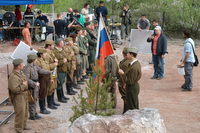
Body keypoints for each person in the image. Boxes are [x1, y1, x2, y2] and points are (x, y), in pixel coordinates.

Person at [23, 53, 51, 119]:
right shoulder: (27, 68)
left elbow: (41, 70)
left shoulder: (34, 65)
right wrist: (34, 84)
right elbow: (26, 79)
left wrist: (49, 72)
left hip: (36, 85)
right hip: (32, 86)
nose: (36, 60)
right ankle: (32, 115)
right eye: (35, 59)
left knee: (35, 99)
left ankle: (34, 113)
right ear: (33, 60)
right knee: (32, 100)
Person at [8, 59, 31, 133]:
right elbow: (14, 89)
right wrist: (24, 85)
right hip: (18, 97)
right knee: (20, 112)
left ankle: (23, 125)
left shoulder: (20, 73)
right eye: (22, 65)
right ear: (18, 67)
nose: (23, 65)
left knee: (25, 111)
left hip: (24, 95)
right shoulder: (13, 77)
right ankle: (18, 129)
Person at [36, 48, 53, 114]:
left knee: (45, 92)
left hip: (47, 78)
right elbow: (39, 71)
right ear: (41, 55)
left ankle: (44, 107)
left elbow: (48, 70)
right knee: (42, 93)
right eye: (45, 54)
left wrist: (51, 78)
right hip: (42, 79)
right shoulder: (38, 61)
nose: (46, 55)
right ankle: (42, 109)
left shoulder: (45, 60)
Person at [45, 40, 60, 108]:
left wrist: (56, 61)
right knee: (50, 88)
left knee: (54, 87)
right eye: (52, 45)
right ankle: (49, 103)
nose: (54, 46)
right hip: (50, 72)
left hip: (54, 72)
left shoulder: (51, 52)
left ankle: (52, 101)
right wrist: (54, 64)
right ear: (49, 46)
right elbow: (46, 65)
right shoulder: (46, 53)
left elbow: (54, 58)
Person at [53, 38, 69, 103]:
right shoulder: (55, 51)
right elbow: (56, 62)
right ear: (59, 44)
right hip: (59, 70)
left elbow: (66, 57)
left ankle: (62, 95)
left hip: (64, 69)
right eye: (62, 43)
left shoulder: (62, 50)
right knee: (59, 84)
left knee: (62, 82)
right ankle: (60, 97)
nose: (63, 44)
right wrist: (63, 62)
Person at [116, 47, 131, 113]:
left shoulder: (124, 64)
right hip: (128, 82)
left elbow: (121, 75)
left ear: (123, 54)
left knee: (125, 98)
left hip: (123, 83)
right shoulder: (130, 61)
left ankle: (125, 112)